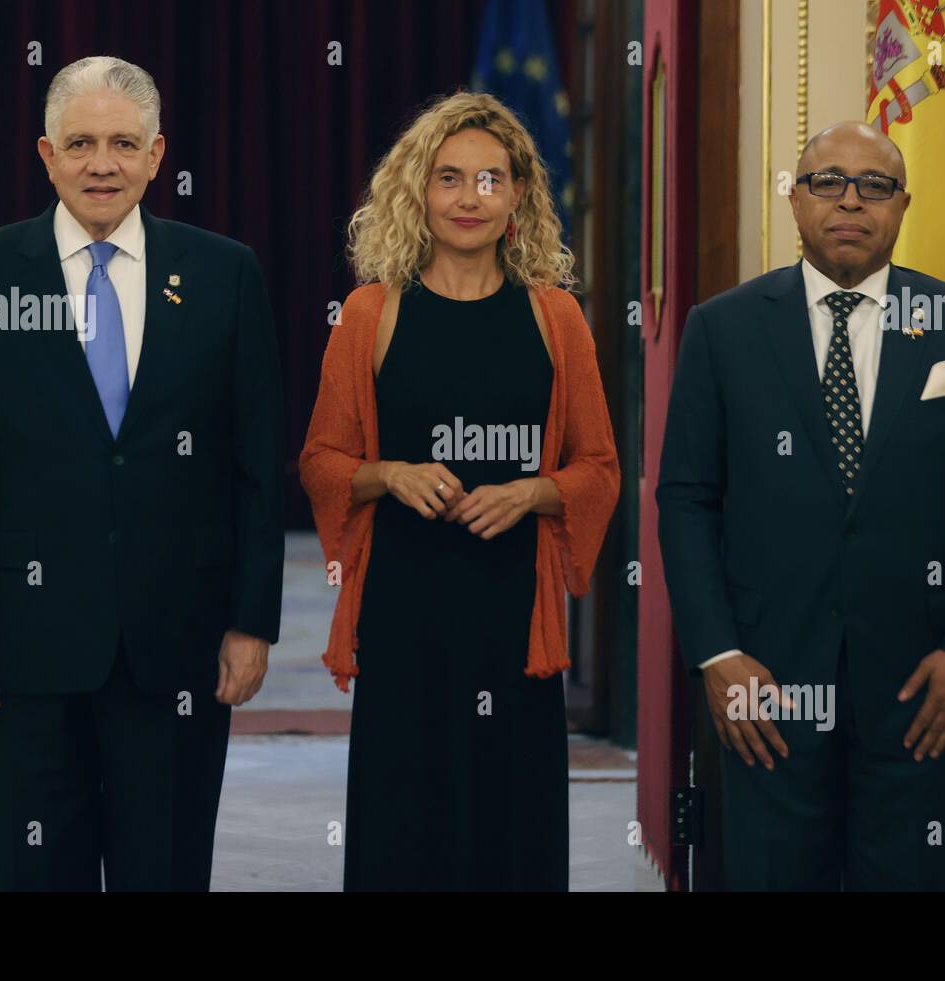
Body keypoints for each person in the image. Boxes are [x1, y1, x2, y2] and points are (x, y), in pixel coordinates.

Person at [0, 56, 285, 890]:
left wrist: (252, 619)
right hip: (25, 650)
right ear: (46, 156)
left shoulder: (225, 275)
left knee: (167, 870)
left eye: (124, 142)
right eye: (81, 142)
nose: (102, 163)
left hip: (179, 643)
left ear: (158, 155)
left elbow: (258, 465)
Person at [657, 121, 945, 890]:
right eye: (828, 181)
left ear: (903, 205)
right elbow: (686, 499)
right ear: (795, 201)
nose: (850, 201)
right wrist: (717, 655)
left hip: (923, 690)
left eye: (874, 185)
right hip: (766, 689)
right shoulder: (721, 329)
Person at [299, 91, 619, 891]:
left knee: (512, 827)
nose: (469, 197)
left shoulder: (558, 318)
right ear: (418, 192)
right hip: (403, 613)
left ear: (517, 196)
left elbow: (599, 468)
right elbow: (321, 460)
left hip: (514, 623)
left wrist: (534, 493)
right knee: (404, 825)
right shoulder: (371, 313)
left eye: (489, 179)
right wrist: (387, 475)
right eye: (449, 178)